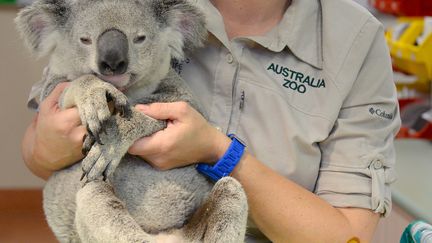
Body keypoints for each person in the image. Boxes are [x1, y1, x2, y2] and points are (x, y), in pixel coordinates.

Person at [21, 0, 401, 242]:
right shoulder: (129, 9)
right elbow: (40, 151)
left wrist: (220, 154)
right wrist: (49, 146)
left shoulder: (356, 41)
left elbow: (347, 236)